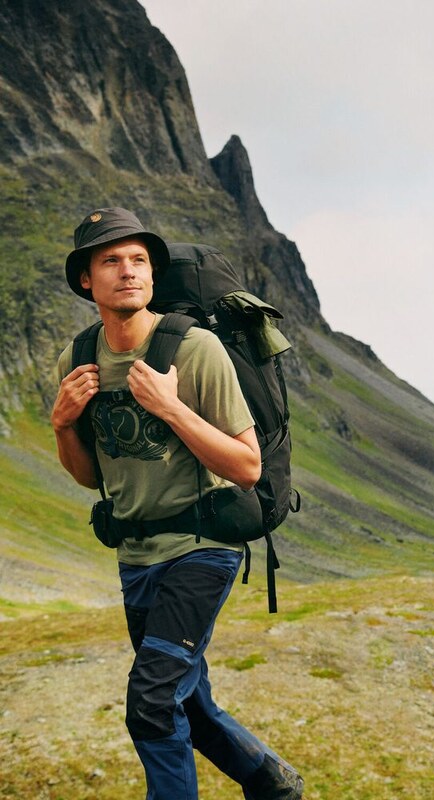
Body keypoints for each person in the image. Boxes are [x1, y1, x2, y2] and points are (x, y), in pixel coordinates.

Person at [51, 207, 304, 800]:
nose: (127, 271)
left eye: (138, 260)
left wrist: (170, 408)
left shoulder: (196, 350)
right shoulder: (79, 358)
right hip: (136, 556)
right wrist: (64, 425)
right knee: (184, 696)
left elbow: (246, 466)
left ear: (152, 273)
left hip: (202, 546)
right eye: (110, 260)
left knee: (152, 702)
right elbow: (92, 477)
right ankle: (269, 781)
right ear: (86, 279)